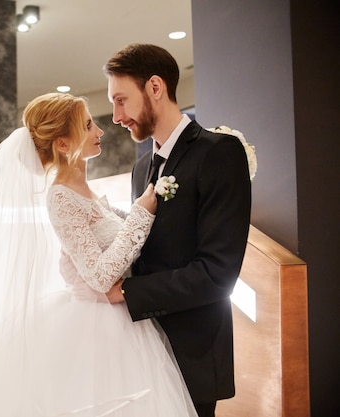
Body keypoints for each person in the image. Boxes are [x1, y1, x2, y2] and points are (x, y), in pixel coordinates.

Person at [0, 92, 198, 417]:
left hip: (122, 318)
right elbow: (100, 276)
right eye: (88, 125)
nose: (100, 131)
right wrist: (141, 215)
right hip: (98, 326)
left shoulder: (85, 191)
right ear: (62, 143)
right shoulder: (60, 197)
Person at [103, 44, 252, 417]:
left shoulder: (218, 152)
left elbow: (218, 274)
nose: (116, 116)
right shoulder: (141, 169)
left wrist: (128, 291)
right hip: (141, 352)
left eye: (122, 100)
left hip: (192, 354)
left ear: (155, 87)